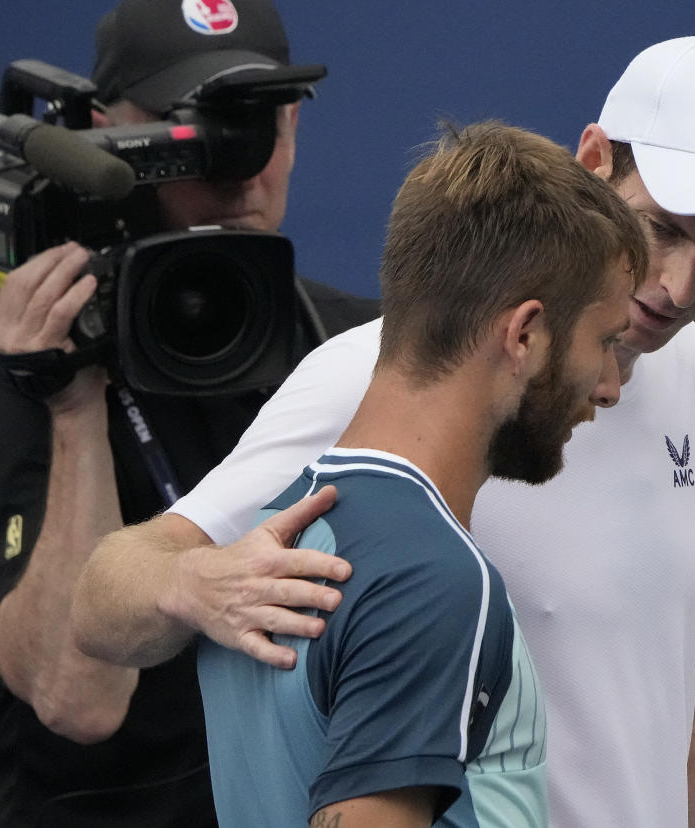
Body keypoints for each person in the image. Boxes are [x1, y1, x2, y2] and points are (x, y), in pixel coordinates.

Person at [71, 34, 695, 828]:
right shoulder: (370, 380)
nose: (678, 288)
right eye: (662, 230)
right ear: (593, 160)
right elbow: (106, 597)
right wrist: (192, 583)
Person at [0, 0, 379, 825]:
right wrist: (72, 408)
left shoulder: (355, 347)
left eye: (263, 127)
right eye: (200, 129)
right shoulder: (39, 369)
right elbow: (81, 700)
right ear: (104, 136)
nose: (239, 166)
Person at [198, 120, 648, 827]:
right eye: (606, 342)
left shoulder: (268, 537)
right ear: (525, 335)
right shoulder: (433, 579)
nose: (610, 386)